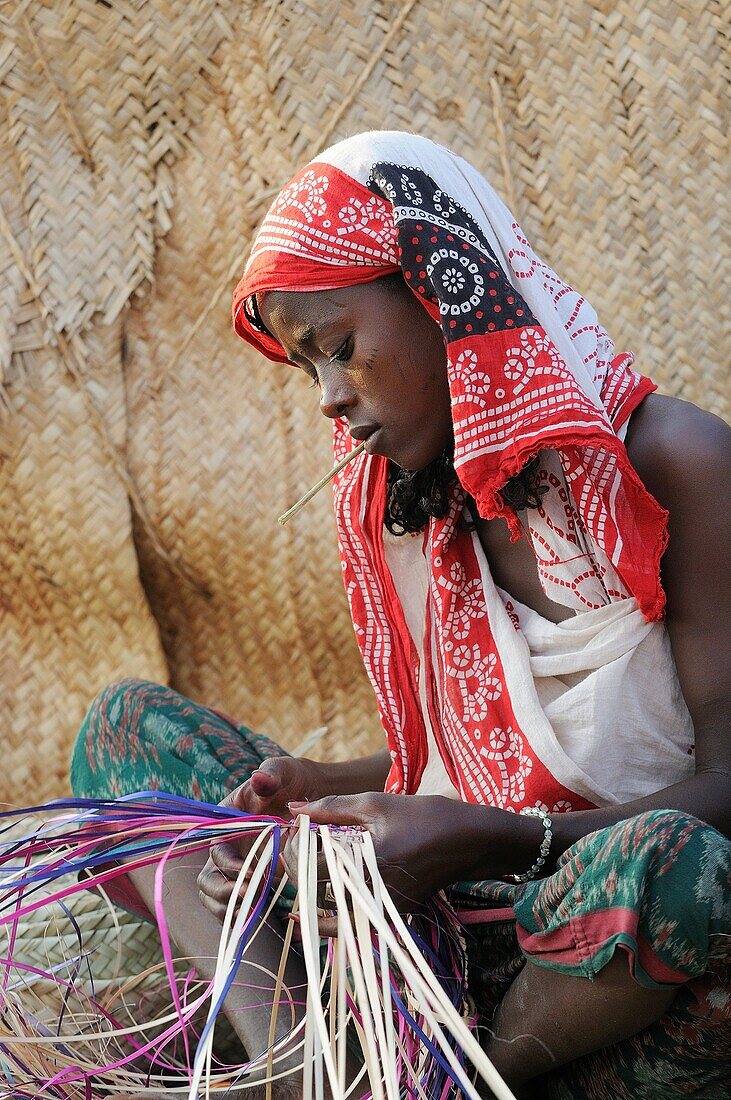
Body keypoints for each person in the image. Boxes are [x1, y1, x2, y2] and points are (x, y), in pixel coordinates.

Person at [72, 131, 730, 1098]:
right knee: (126, 734)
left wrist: (494, 841)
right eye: (308, 371)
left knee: (685, 870)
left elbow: (722, 782)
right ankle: (308, 1064)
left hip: (580, 922)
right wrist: (319, 790)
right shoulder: (412, 502)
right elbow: (470, 753)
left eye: (340, 349)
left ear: (442, 291)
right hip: (432, 914)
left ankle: (449, 1078)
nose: (332, 398)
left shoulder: (675, 464)